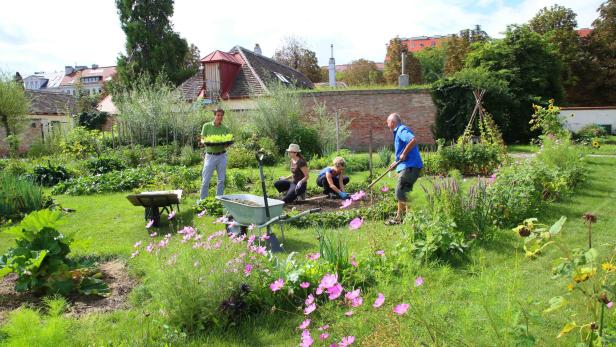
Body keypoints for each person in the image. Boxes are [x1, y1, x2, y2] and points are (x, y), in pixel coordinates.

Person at [385, 113, 423, 225]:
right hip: (407, 166)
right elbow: (401, 155)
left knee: (400, 192)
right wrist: (396, 163)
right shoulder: (398, 133)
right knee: (403, 192)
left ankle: (411, 218)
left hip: (410, 167)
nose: (387, 125)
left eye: (387, 122)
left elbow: (413, 140)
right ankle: (399, 218)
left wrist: (404, 153)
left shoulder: (401, 130)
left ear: (392, 122)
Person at [199, 108, 232, 200]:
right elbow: (202, 138)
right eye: (218, 115)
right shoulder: (206, 126)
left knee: (221, 180)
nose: (219, 117)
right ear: (214, 116)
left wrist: (227, 143)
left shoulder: (225, 128)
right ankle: (203, 201)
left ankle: (219, 200)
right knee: (206, 180)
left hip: (222, 156)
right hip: (210, 155)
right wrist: (204, 142)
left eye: (221, 115)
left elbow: (227, 141)